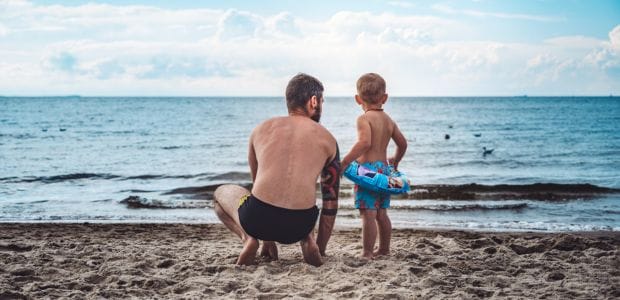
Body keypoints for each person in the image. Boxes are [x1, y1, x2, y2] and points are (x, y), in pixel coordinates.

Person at [213, 73, 341, 266]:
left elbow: (259, 186)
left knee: (220, 193)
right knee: (308, 198)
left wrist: (267, 238)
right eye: (322, 101)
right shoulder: (329, 140)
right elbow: (330, 203)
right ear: (313, 101)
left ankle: (249, 239)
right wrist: (320, 248)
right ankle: (308, 242)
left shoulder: (261, 129)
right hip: (299, 225)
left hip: (258, 219)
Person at [341, 73, 407, 259]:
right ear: (384, 98)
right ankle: (384, 249)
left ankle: (368, 252)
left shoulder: (363, 119)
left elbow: (364, 143)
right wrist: (395, 160)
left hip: (367, 173)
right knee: (381, 213)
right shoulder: (389, 121)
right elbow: (403, 144)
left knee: (368, 214)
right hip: (384, 172)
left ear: (357, 99)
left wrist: (345, 162)